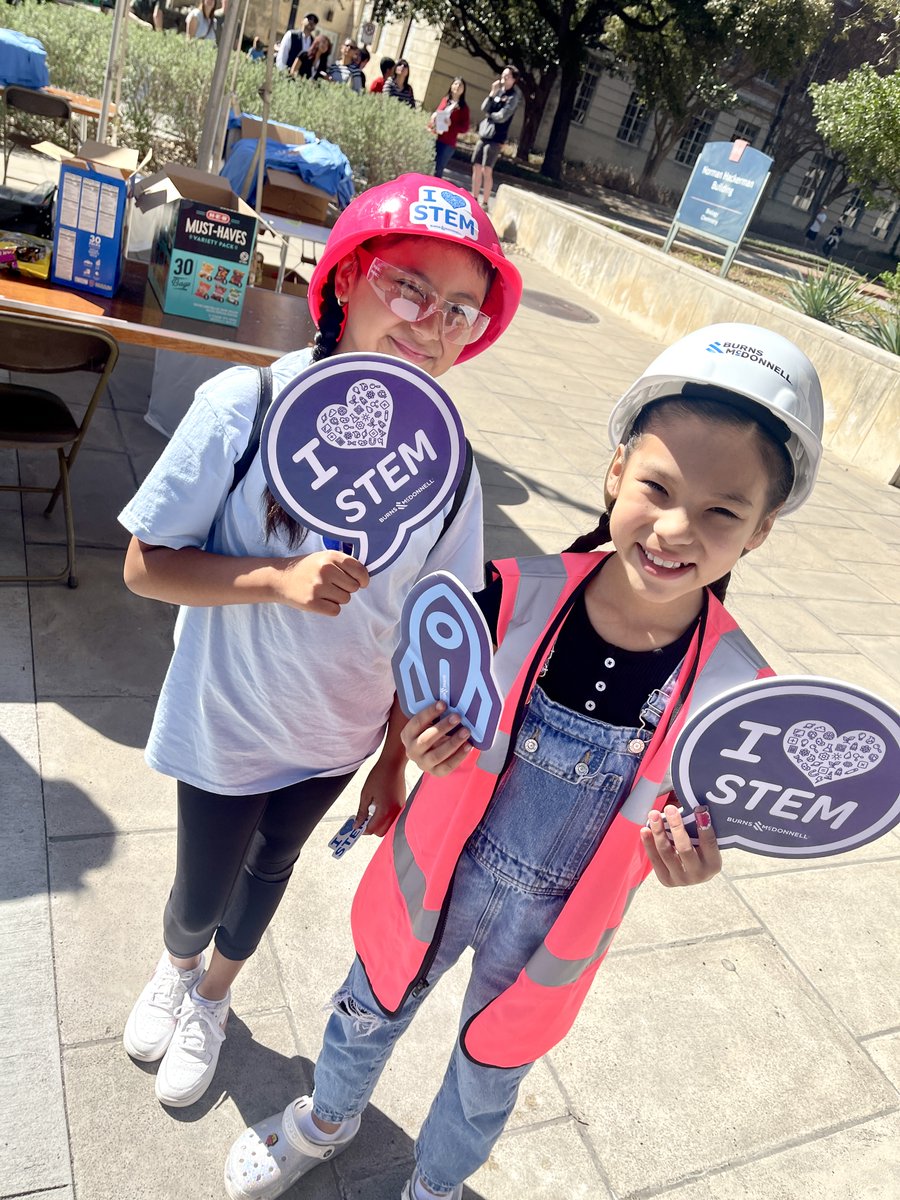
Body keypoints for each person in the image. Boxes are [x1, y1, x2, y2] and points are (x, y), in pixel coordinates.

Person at [223, 322, 826, 1200]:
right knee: (368, 1004)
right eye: (657, 485)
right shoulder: (508, 591)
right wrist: (414, 747)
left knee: (492, 1071)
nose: (673, 527)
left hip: (559, 925)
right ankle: (326, 1117)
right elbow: (426, 694)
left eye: (721, 512)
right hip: (439, 868)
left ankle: (434, 1186)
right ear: (616, 470)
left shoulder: (739, 695)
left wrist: (691, 862)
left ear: (761, 531)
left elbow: (704, 815)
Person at [119, 175, 522, 1111]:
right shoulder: (245, 404)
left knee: (271, 870)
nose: (432, 326)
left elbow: (426, 625)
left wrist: (390, 761)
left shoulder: (449, 471)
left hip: (332, 740)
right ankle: (177, 965)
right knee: (198, 885)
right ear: (345, 279)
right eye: (409, 289)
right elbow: (144, 565)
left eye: (460, 310)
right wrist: (273, 580)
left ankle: (214, 998)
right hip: (224, 724)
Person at [471, 65, 520, 207]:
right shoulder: (498, 91)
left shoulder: (513, 96)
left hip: (497, 137)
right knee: (477, 165)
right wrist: (492, 93)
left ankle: (485, 202)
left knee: (487, 169)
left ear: (514, 79)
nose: (503, 79)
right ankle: (474, 198)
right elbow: (485, 107)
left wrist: (490, 115)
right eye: (503, 75)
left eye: (507, 76)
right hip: (485, 133)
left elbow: (503, 116)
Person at [428, 77, 470, 178]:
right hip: (436, 136)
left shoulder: (463, 107)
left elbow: (465, 128)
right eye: (455, 84)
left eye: (460, 85)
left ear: (463, 90)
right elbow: (438, 113)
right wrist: (433, 119)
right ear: (451, 86)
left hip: (448, 142)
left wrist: (452, 124)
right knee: (429, 166)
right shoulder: (445, 100)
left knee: (438, 170)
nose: (457, 87)